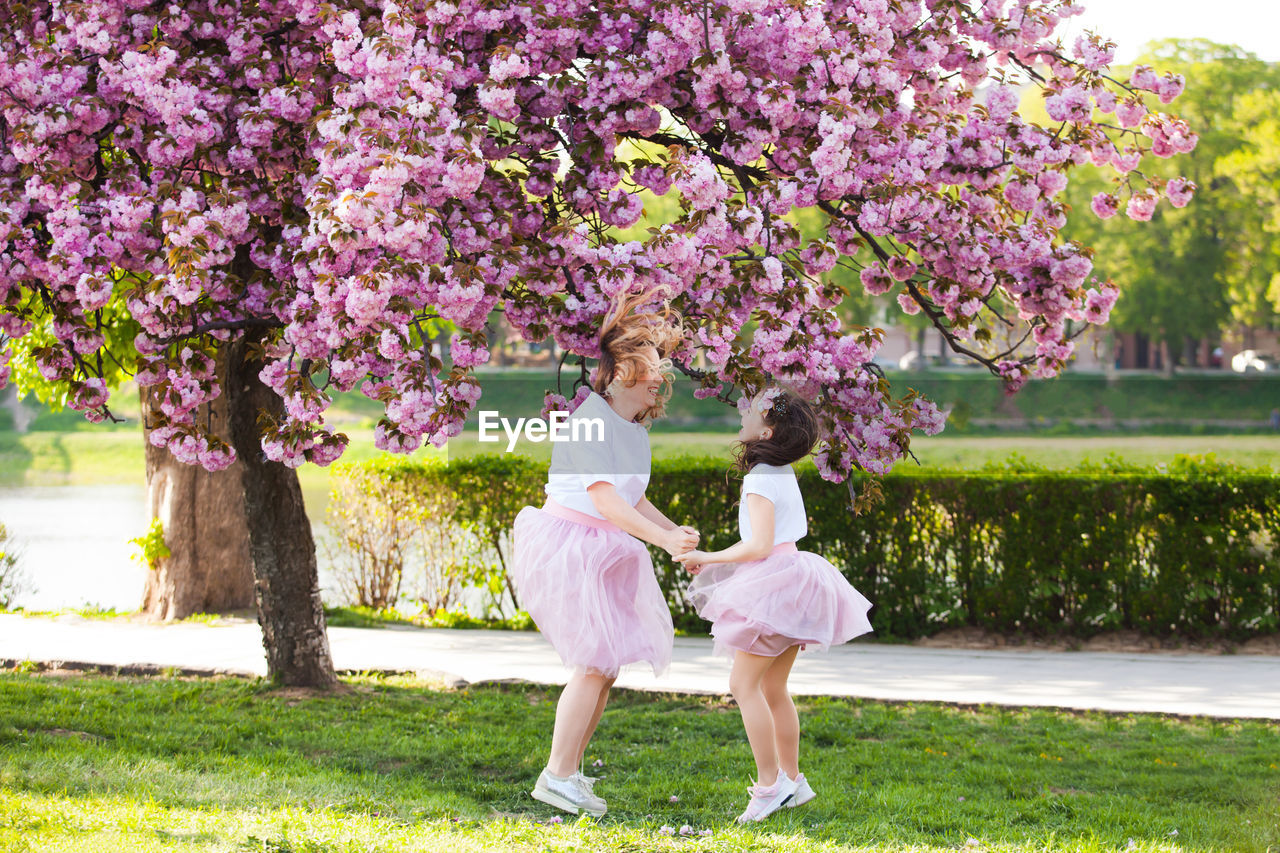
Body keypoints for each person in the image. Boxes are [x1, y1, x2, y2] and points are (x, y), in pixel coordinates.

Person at [510, 287, 699, 817]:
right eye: (652, 369)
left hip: (603, 547)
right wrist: (658, 540)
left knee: (606, 666)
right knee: (594, 662)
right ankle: (557, 774)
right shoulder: (592, 419)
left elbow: (634, 496)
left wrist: (674, 534)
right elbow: (604, 498)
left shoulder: (632, 430)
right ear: (622, 373)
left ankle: (568, 770)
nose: (661, 378)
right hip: (571, 545)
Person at [675, 387, 873, 823]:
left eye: (754, 411)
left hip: (775, 583)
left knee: (743, 686)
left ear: (766, 431)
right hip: (793, 578)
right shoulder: (778, 471)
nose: (744, 411)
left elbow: (759, 545)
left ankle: (770, 786)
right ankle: (792, 780)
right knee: (772, 688)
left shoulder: (761, 476)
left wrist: (706, 557)